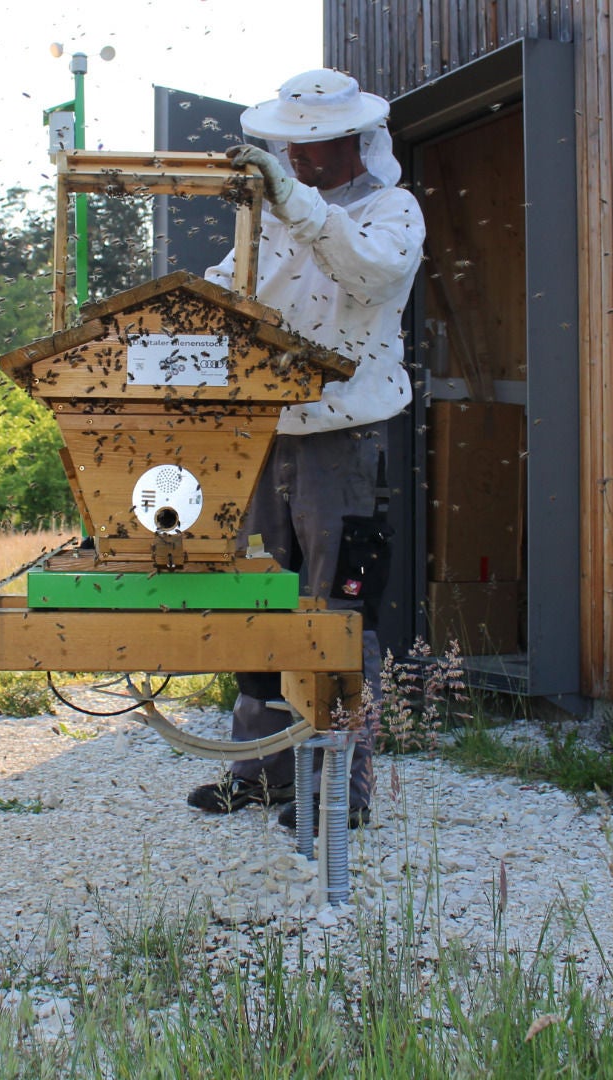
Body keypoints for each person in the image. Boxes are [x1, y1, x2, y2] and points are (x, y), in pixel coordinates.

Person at [185, 68, 424, 832]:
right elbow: (234, 287)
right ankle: (258, 772)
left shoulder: (392, 211)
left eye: (313, 146)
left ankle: (339, 785)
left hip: (341, 440)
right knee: (258, 600)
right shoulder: (281, 213)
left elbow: (369, 270)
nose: (297, 157)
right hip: (261, 431)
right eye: (292, 145)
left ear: (354, 141)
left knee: (338, 607)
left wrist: (293, 201)